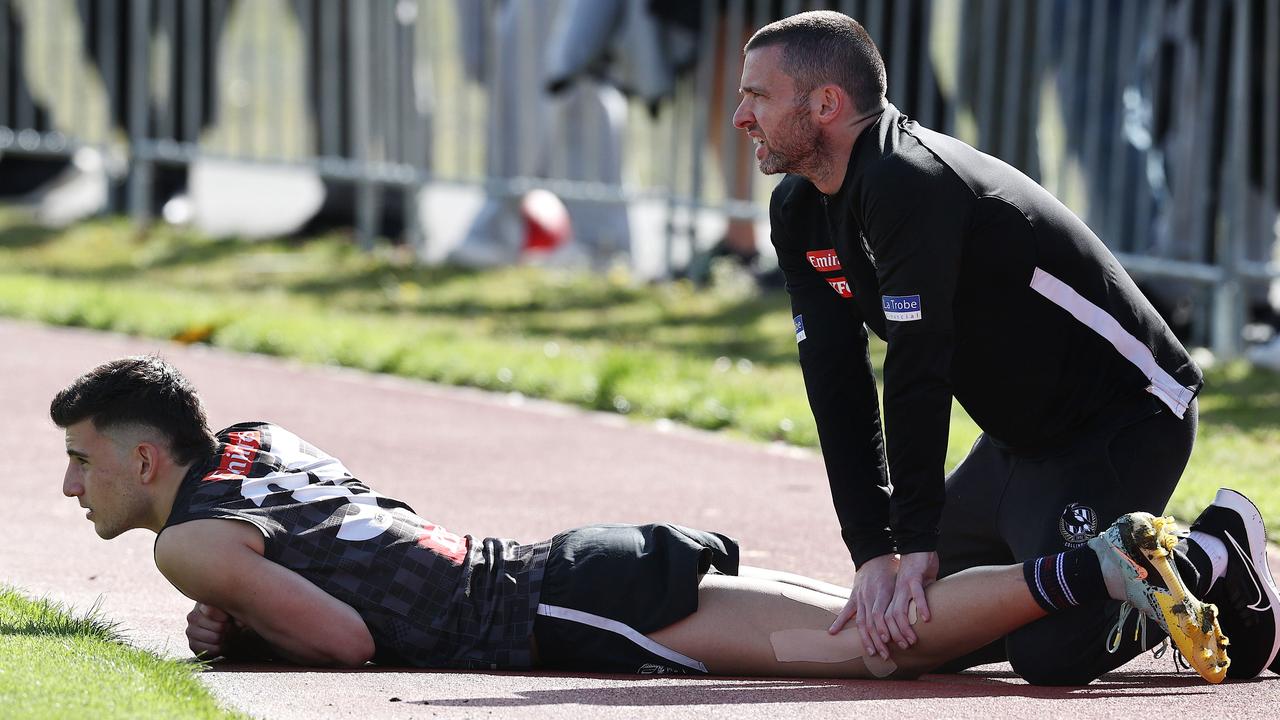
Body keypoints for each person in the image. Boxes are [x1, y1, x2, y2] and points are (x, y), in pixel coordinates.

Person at [51, 356, 1238, 682]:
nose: (72, 487)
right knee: (889, 625)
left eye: (83, 461)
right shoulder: (255, 442)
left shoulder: (187, 542)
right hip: (579, 565)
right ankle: (1208, 570)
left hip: (562, 609)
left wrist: (244, 622)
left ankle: (1089, 575)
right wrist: (255, 609)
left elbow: (351, 642)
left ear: (145, 457)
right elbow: (371, 541)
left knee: (880, 651)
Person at [731, 10, 1280, 684]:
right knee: (902, 636)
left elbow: (916, 369)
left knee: (1048, 655)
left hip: (1127, 417)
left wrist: (917, 541)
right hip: (1017, 447)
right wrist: (875, 549)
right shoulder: (797, 207)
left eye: (756, 95)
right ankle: (1187, 579)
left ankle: (1210, 553)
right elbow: (835, 378)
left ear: (825, 103)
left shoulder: (908, 178)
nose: (741, 117)